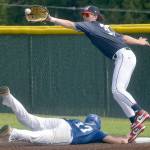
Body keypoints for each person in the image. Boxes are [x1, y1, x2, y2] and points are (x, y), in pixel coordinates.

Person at [45, 5, 150, 141]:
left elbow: (70, 24)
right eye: (84, 14)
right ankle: (135, 122)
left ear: (95, 16)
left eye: (88, 14)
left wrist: (51, 18)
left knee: (117, 90)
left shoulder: (92, 26)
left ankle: (140, 112)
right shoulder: (102, 27)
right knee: (118, 92)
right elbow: (123, 38)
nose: (85, 16)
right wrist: (139, 42)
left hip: (123, 56)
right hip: (126, 56)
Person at [0, 86, 130, 144]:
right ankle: (13, 132)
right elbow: (119, 142)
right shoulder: (97, 132)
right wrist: (127, 137)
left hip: (63, 122)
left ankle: (8, 96)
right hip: (68, 134)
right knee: (38, 137)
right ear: (98, 125)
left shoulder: (79, 122)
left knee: (29, 119)